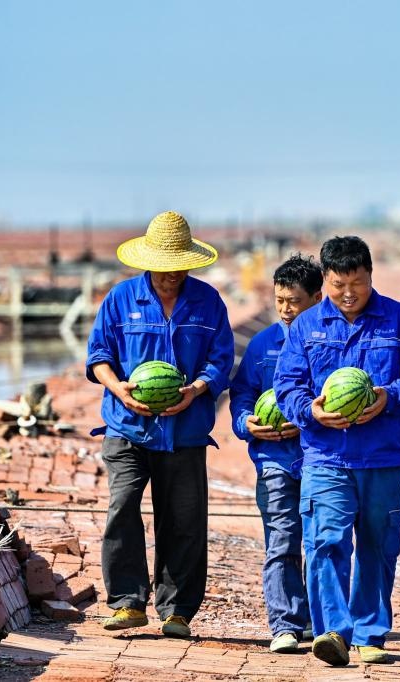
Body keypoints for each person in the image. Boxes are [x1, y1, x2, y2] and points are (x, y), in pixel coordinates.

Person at [274, 235, 400, 667]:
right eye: (338, 284)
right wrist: (309, 411)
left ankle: (370, 633)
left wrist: (390, 396)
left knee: (377, 544)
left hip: (384, 456)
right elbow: (286, 385)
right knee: (325, 541)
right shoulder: (307, 327)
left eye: (358, 283)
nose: (349, 293)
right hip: (326, 457)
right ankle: (333, 631)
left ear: (370, 275)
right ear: (325, 282)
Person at [86, 211, 234, 639]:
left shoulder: (208, 302)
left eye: (179, 268)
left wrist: (196, 389)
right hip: (127, 427)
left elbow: (221, 359)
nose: (171, 277)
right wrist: (119, 389)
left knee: (183, 520)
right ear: (148, 263)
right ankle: (128, 602)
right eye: (163, 269)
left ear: (189, 262)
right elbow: (99, 357)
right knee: (123, 507)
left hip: (185, 431)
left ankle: (178, 611)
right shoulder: (120, 299)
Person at [229, 254, 323, 653]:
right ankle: (285, 623)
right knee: (282, 540)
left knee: (322, 541)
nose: (285, 309)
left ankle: (323, 623)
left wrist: (305, 419)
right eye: (280, 299)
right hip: (273, 458)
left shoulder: (331, 342)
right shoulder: (263, 344)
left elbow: (337, 399)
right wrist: (245, 422)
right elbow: (242, 395)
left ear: (317, 299)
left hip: (321, 456)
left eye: (294, 300)